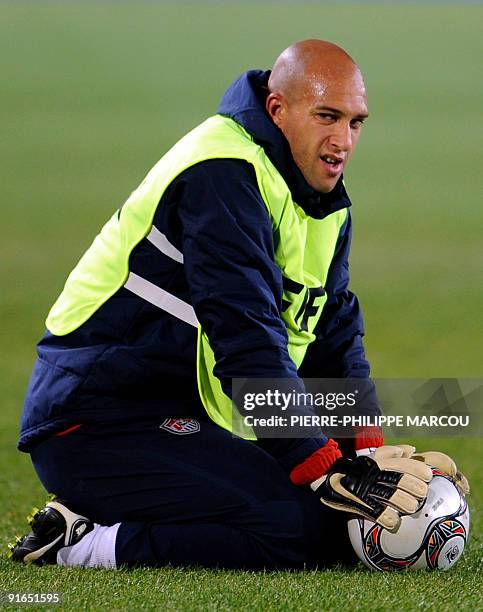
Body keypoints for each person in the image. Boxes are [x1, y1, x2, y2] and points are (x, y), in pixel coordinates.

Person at [9, 40, 467, 570]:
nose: (342, 140)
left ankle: (96, 513)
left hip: (175, 416)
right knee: (305, 528)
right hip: (96, 421)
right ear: (278, 110)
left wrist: (363, 450)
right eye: (327, 116)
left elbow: (332, 335)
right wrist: (323, 467)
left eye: (356, 123)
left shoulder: (321, 202)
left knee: (324, 511)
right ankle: (80, 546)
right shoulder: (222, 173)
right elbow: (246, 339)